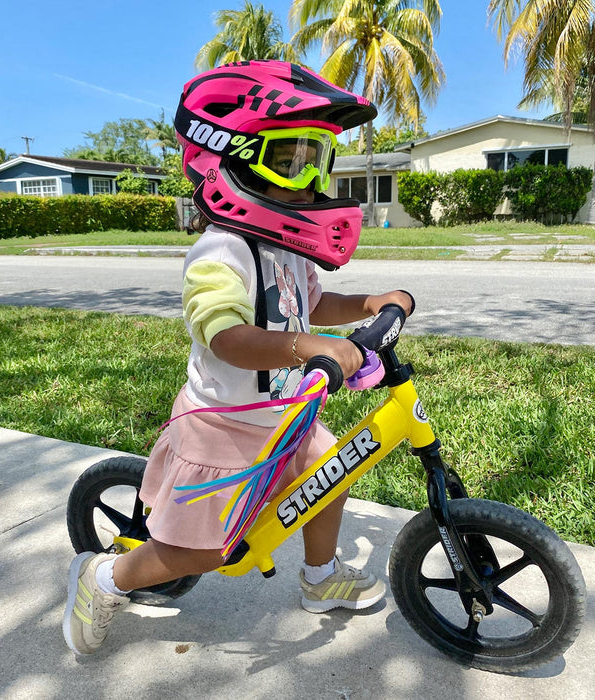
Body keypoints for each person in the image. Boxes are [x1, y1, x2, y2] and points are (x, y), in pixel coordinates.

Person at [63, 60, 415, 656]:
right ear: (226, 158)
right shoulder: (219, 252)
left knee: (332, 474)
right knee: (210, 551)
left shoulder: (285, 242)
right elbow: (225, 334)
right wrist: (313, 349)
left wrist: (368, 304)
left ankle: (321, 578)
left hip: (282, 415)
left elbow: (312, 303)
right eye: (288, 160)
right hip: (223, 427)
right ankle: (102, 579)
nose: (306, 179)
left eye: (316, 160)